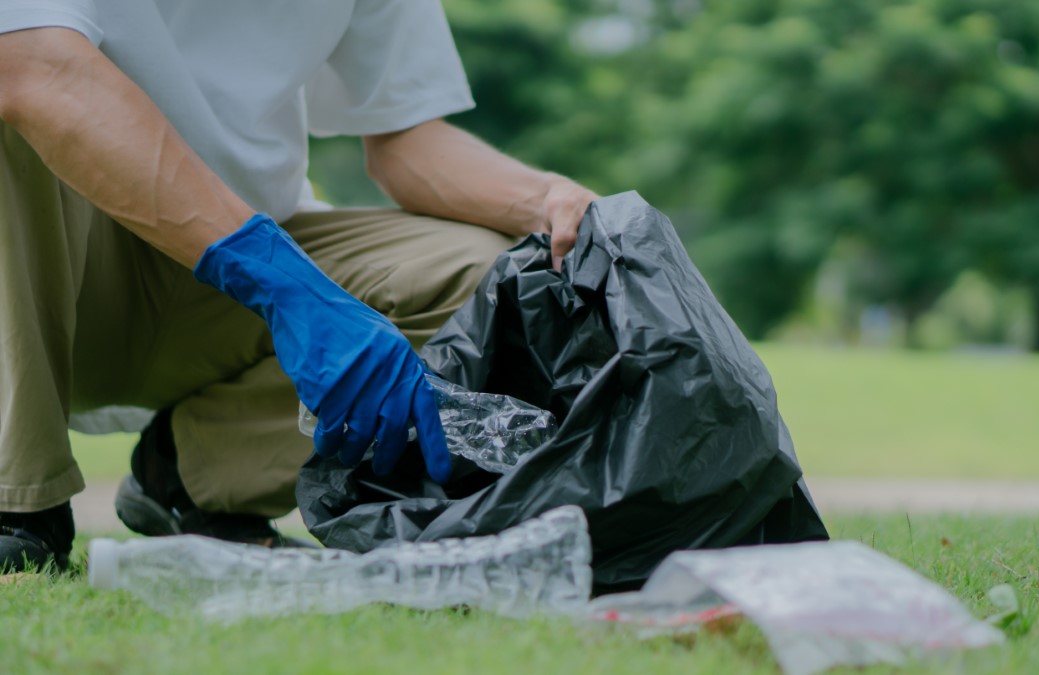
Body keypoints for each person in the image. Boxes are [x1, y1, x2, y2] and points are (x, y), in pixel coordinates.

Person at [0, 0, 598, 571]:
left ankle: (195, 477)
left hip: (233, 280)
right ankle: (18, 503)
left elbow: (408, 143)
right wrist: (283, 284)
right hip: (52, 267)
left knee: (486, 272)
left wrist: (545, 198)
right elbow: (34, 68)